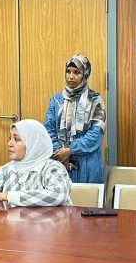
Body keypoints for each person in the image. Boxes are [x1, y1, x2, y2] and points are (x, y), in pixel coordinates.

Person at [0, 119, 72, 208]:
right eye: (10, 138)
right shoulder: (9, 168)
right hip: (15, 224)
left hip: (51, 224)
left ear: (33, 143)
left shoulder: (53, 168)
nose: (9, 144)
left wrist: (6, 196)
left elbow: (58, 194)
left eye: (16, 139)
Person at [44, 54, 106, 184]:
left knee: (88, 197)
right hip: (59, 162)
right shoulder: (56, 100)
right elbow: (49, 129)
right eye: (68, 71)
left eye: (76, 72)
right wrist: (60, 153)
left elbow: (96, 134)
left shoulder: (95, 100)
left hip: (87, 163)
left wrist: (70, 150)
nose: (71, 76)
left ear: (85, 74)